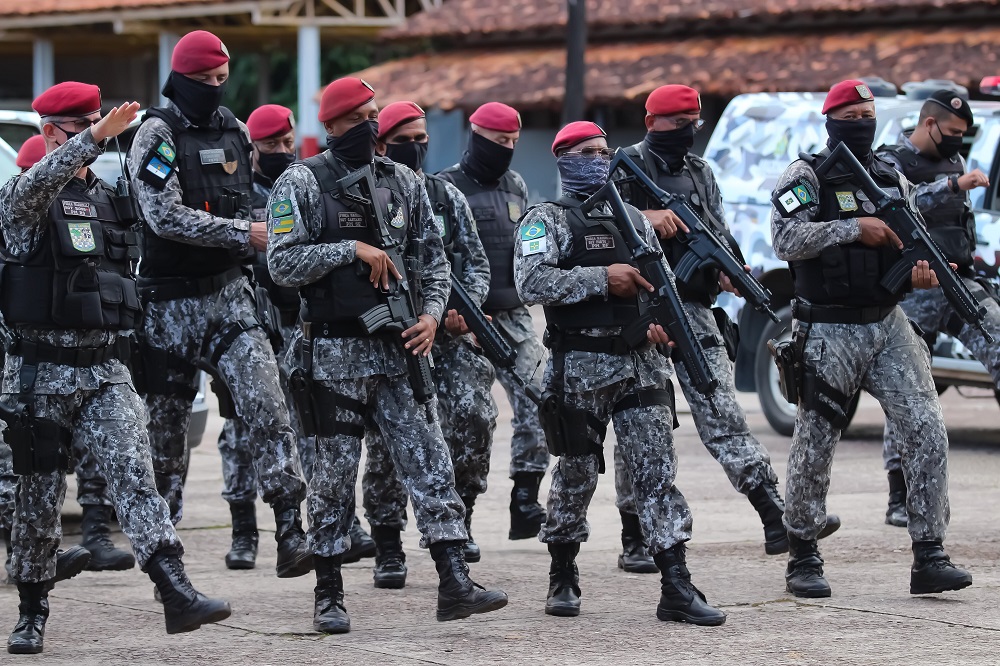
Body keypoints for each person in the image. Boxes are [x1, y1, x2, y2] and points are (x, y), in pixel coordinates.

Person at [266, 77, 508, 633]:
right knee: (333, 477)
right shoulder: (301, 183)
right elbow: (281, 263)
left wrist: (431, 313)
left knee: (431, 464)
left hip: (400, 350)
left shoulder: (403, 181)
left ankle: (454, 584)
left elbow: (435, 257)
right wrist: (348, 249)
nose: (371, 127)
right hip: (333, 354)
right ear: (330, 127)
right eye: (358, 119)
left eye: (375, 116)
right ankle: (328, 593)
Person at [0, 81, 230, 654]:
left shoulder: (108, 199)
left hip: (105, 371)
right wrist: (92, 140)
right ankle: (31, 613)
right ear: (50, 133)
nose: (96, 144)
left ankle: (174, 590)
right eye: (81, 132)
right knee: (38, 496)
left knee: (135, 475)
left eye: (98, 130)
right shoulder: (21, 199)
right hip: (40, 374)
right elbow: (33, 188)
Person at [614, 84, 840, 568]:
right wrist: (646, 217)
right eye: (679, 126)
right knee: (640, 423)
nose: (688, 134)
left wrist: (731, 269)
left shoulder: (699, 172)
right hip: (636, 309)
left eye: (694, 125)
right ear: (653, 122)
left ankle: (772, 513)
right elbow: (593, 219)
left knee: (722, 411)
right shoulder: (622, 166)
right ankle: (633, 534)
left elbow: (717, 229)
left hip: (692, 308)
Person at [514, 120, 726, 625]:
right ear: (564, 159)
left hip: (641, 366)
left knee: (656, 472)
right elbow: (531, 281)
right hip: (579, 367)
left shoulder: (635, 220)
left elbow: (661, 285)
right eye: (586, 151)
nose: (598, 159)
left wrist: (660, 327)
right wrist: (602, 278)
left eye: (604, 151)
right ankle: (563, 572)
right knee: (576, 474)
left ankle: (676, 582)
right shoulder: (545, 219)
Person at [770, 79, 972, 598]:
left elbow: (909, 242)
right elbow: (785, 238)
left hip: (887, 322)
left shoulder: (890, 174)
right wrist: (853, 228)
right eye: (853, 115)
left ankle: (930, 552)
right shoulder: (807, 175)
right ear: (832, 119)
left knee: (926, 427)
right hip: (828, 323)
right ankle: (803, 554)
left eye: (870, 114)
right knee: (816, 439)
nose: (864, 122)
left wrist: (923, 271)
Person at [126, 30, 310, 579]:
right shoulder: (154, 136)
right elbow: (164, 216)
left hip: (229, 299)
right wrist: (241, 234)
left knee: (267, 406)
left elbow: (256, 200)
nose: (213, 89)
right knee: (165, 443)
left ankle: (289, 527)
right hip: (168, 308)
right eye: (204, 81)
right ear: (180, 79)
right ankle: (167, 564)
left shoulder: (234, 129)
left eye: (220, 81)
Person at [213, 103, 375, 569]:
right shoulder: (236, 194)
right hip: (251, 322)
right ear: (253, 150)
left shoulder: (309, 185)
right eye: (271, 146)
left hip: (299, 322)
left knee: (312, 423)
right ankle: (244, 530)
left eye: (288, 143)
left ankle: (340, 523)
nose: (283, 151)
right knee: (242, 430)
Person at [360, 101, 497, 585]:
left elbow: (474, 263)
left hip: (447, 330)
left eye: (422, 138)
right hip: (393, 335)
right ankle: (388, 540)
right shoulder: (367, 194)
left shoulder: (445, 196)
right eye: (405, 139)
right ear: (382, 142)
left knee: (476, 419)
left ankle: (460, 521)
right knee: (388, 442)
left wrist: (462, 311)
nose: (416, 147)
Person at [3, 134, 131, 582]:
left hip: (49, 364)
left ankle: (41, 558)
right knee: (19, 473)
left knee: (43, 467)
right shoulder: (18, 213)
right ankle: (34, 562)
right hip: (22, 365)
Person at [876, 90, 994, 527]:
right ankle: (898, 494)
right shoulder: (891, 161)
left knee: (996, 340)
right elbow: (897, 207)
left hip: (958, 280)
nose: (957, 143)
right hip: (915, 287)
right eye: (953, 133)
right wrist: (951, 186)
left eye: (964, 136)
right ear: (930, 124)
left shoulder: (953, 162)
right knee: (908, 386)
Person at [438, 103, 549, 541]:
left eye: (512, 144)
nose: (505, 150)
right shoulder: (446, 187)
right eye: (498, 141)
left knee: (543, 398)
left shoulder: (516, 185)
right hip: (463, 323)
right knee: (470, 418)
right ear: (475, 134)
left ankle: (525, 500)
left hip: (514, 315)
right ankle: (459, 515)